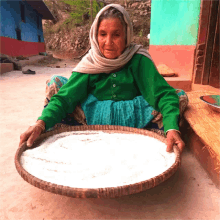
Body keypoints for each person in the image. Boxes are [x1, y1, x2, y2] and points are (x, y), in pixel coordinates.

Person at [19, 4, 188, 153]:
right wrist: (41, 123)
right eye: (102, 34)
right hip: (92, 117)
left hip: (134, 117)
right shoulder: (91, 62)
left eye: (116, 35)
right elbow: (64, 98)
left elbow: (162, 93)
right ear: (95, 35)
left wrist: (172, 127)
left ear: (126, 35)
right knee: (56, 83)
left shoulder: (138, 60)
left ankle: (155, 135)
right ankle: (70, 132)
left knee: (178, 97)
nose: (108, 42)